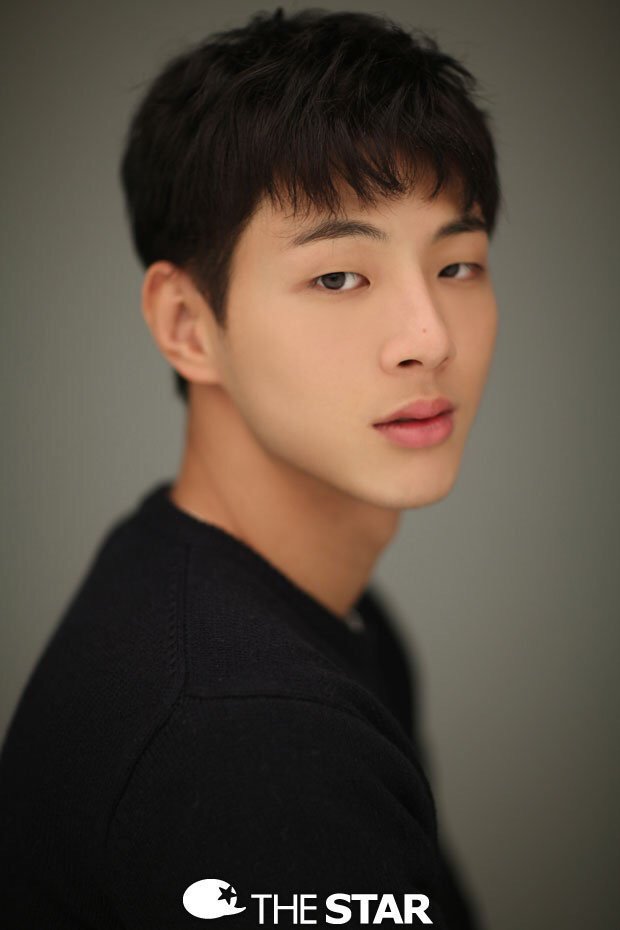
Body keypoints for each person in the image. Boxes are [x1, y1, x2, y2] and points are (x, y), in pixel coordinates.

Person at [0, 7, 501, 928]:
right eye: (339, 276)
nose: (430, 338)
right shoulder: (244, 729)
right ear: (188, 326)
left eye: (458, 265)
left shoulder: (313, 615)